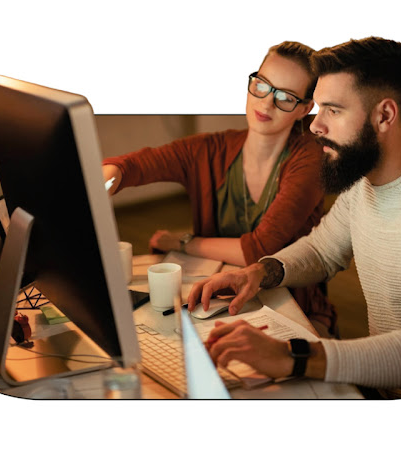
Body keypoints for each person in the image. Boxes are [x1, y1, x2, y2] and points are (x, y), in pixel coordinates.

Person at [188, 37, 401, 398]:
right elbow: (322, 251)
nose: (314, 126)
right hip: (384, 384)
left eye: (333, 110)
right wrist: (258, 272)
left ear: (384, 115)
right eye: (319, 108)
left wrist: (293, 356)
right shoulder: (365, 180)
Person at [102, 42, 337, 336]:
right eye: (262, 85)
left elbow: (259, 250)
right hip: (213, 296)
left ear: (304, 108)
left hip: (289, 305)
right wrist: (109, 178)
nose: (265, 103)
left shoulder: (310, 160)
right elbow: (135, 166)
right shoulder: (212, 149)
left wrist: (184, 242)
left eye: (285, 97)